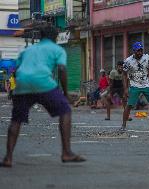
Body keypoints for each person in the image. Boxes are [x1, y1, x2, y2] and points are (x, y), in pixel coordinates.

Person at [0, 24, 86, 168]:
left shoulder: (28, 50)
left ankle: (8, 158)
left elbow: (16, 71)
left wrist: (15, 91)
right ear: (55, 37)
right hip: (43, 82)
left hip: (22, 84)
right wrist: (65, 93)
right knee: (65, 111)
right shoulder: (57, 49)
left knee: (16, 120)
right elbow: (62, 69)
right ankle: (66, 152)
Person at [121, 42, 149, 131]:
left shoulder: (147, 58)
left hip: (146, 84)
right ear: (134, 51)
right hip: (134, 85)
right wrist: (126, 88)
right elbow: (124, 75)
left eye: (141, 50)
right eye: (138, 51)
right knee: (129, 105)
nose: (140, 53)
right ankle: (123, 125)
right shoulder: (128, 61)